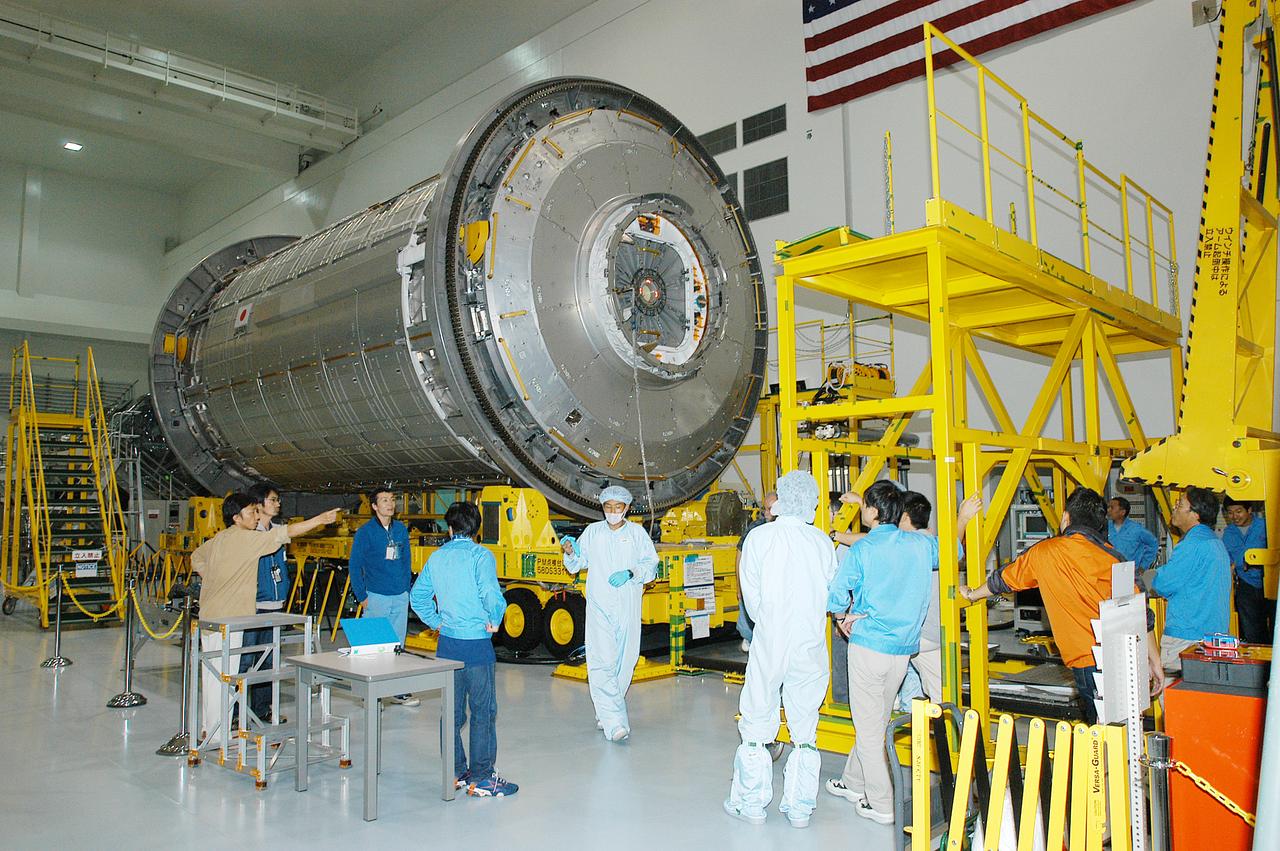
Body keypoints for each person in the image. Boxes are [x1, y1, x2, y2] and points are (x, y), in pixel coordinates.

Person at [960, 487, 1164, 725]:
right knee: (1125, 728)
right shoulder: (1113, 557)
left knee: (1104, 734)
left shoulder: (1044, 552)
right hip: (1126, 658)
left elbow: (1001, 580)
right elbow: (1141, 613)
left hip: (1088, 663)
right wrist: (1154, 661)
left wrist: (972, 594)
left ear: (1066, 518)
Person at [724, 471, 836, 829]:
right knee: (805, 725)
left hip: (770, 639)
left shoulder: (759, 538)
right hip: (809, 644)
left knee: (757, 718)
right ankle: (801, 807)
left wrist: (770, 623)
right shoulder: (821, 542)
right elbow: (831, 594)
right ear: (809, 501)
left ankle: (751, 803)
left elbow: (752, 600)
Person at [824, 480, 937, 824]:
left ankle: (882, 803)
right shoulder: (920, 544)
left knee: (870, 729)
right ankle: (853, 782)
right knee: (875, 718)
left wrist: (843, 618)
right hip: (903, 651)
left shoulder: (863, 550)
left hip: (869, 647)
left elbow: (837, 593)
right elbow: (955, 553)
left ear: (871, 512)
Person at [192, 494, 338, 743]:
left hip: (210, 616)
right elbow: (285, 533)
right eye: (251, 513)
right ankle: (219, 737)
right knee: (227, 676)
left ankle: (210, 729)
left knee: (213, 675)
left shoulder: (221, 538)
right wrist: (319, 520)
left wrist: (215, 579)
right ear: (236, 518)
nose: (256, 516)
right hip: (231, 618)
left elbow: (196, 556)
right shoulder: (247, 539)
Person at [409, 501, 517, 797]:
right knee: (483, 711)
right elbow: (490, 593)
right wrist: (495, 618)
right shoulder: (481, 555)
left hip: (448, 645)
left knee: (452, 712)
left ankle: (455, 771)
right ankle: (482, 777)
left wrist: (437, 622)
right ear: (476, 528)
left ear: (450, 528)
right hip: (477, 646)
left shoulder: (437, 558)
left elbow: (418, 597)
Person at [560, 484, 659, 742]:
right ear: (602, 508)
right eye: (608, 507)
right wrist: (570, 551)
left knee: (626, 661)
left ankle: (605, 713)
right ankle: (615, 722)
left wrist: (631, 573)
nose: (612, 512)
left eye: (618, 507)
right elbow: (576, 563)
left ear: (626, 508)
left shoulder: (637, 534)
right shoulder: (593, 533)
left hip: (627, 605)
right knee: (601, 662)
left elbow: (651, 566)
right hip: (600, 607)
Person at [1148, 488, 1231, 673]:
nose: (1174, 508)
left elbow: (1163, 583)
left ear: (1195, 514)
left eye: (1180, 504)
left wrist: (1146, 577)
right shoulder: (1215, 542)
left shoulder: (1192, 545)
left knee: (1176, 698)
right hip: (1214, 637)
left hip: (1187, 639)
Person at [349, 488, 418, 706]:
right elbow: (355, 564)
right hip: (376, 595)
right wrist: (361, 595)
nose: (390, 504)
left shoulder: (400, 529)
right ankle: (369, 694)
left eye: (392, 499)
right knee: (372, 646)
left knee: (397, 645)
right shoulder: (365, 532)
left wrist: (406, 589)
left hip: (399, 595)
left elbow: (406, 561)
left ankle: (398, 690)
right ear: (375, 506)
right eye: (384, 500)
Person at [237, 483, 291, 725]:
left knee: (269, 662)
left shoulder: (279, 532)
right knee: (245, 661)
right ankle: (236, 714)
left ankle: (261, 710)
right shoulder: (248, 533)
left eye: (278, 499)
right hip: (253, 607)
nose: (277, 503)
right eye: (273, 499)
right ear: (258, 505)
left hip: (275, 605)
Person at [1222, 497, 1272, 643]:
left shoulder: (1266, 527)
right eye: (1230, 513)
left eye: (1239, 511)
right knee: (1252, 631)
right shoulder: (1228, 533)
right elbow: (1228, 561)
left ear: (1249, 510)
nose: (1234, 516)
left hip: (1270, 584)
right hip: (1246, 585)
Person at [735, 491, 777, 652]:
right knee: (747, 626)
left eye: (770, 509)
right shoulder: (755, 528)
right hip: (755, 584)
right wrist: (739, 586)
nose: (766, 513)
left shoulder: (787, 530)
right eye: (764, 509)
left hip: (774, 587)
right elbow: (740, 554)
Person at [1106, 496, 1160, 569]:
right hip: (1108, 571)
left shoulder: (1136, 529)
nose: (1108, 510)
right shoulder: (1105, 528)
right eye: (1108, 507)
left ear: (1122, 512)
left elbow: (1153, 544)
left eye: (1112, 508)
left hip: (1130, 573)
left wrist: (1143, 566)